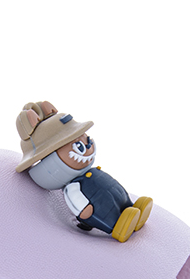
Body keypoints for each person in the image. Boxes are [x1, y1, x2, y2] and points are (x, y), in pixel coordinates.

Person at [16, 101, 152, 242]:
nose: (88, 146)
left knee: (118, 195)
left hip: (108, 191)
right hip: (99, 210)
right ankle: (117, 225)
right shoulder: (72, 187)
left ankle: (131, 207)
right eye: (79, 146)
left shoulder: (92, 171)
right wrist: (84, 210)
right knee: (106, 211)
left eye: (86, 139)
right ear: (50, 161)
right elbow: (77, 202)